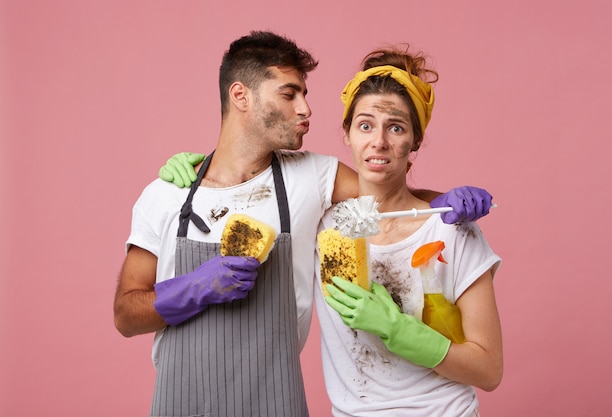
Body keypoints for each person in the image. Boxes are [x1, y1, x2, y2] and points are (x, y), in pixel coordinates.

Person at [114, 30, 492, 417]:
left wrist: (445, 202)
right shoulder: (167, 194)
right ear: (240, 96)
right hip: (182, 402)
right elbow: (126, 315)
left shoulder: (313, 177)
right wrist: (198, 286)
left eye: (305, 95)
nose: (306, 110)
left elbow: (386, 191)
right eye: (290, 94)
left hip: (276, 400)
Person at [317, 47, 503, 416]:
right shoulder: (324, 227)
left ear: (414, 142)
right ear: (348, 134)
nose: (379, 141)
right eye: (365, 125)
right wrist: (191, 173)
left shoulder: (452, 231)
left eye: (396, 127)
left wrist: (399, 331)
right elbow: (255, 178)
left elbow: (489, 369)